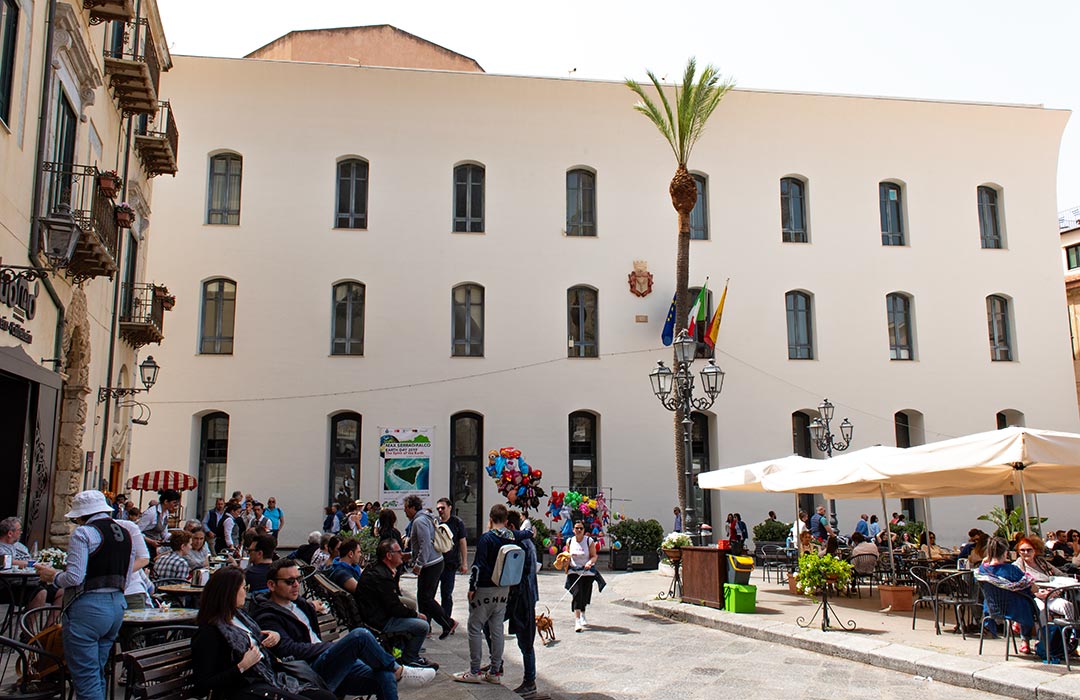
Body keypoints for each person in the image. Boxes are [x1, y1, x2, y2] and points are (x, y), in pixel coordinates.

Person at [254, 558, 435, 699]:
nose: (296, 585)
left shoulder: (296, 603)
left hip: (329, 659)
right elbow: (289, 649)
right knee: (360, 636)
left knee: (385, 675)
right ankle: (400, 670)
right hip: (310, 670)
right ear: (272, 585)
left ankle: (394, 671)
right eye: (289, 581)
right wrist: (329, 647)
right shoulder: (268, 616)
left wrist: (313, 606)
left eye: (298, 580)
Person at [35, 490, 143, 700]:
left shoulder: (84, 533)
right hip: (116, 606)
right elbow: (127, 576)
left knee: (85, 677)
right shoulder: (125, 533)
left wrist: (53, 576)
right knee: (98, 671)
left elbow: (75, 577)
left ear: (82, 514)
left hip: (88, 607)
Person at [191, 567, 336, 700]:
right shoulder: (210, 631)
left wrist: (275, 636)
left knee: (326, 697)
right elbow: (202, 686)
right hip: (242, 688)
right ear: (230, 592)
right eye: (243, 588)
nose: (245, 592)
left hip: (268, 677)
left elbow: (257, 640)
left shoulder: (240, 617)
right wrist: (242, 666)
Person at [453, 504, 522, 685]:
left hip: (484, 588)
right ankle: (495, 671)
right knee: (497, 629)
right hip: (504, 588)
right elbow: (529, 534)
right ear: (506, 521)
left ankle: (474, 670)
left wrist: (472, 587)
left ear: (490, 519)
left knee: (475, 627)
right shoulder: (512, 538)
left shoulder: (486, 539)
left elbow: (478, 565)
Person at [355, 539, 436, 669]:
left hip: (373, 615)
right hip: (380, 621)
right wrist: (416, 615)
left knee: (410, 606)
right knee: (423, 626)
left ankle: (402, 651)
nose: (402, 554)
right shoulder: (382, 576)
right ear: (389, 555)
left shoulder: (376, 569)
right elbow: (394, 607)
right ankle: (410, 658)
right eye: (398, 552)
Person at [975, 536, 1040, 654]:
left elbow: (984, 563)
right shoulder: (1011, 569)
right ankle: (1025, 640)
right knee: (1031, 603)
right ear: (1005, 552)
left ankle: (1017, 626)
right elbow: (1033, 588)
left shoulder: (982, 571)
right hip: (1015, 609)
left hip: (992, 609)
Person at [403, 495, 456, 639]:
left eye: (406, 508)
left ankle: (448, 622)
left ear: (413, 508)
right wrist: (410, 555)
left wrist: (419, 564)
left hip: (430, 564)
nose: (405, 512)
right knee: (423, 597)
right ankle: (425, 627)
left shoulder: (419, 521)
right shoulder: (426, 517)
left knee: (426, 597)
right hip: (434, 561)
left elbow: (425, 544)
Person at [505, 510, 540, 697]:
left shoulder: (521, 545)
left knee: (525, 641)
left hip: (523, 598)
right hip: (523, 596)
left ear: (511, 527)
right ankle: (497, 664)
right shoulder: (525, 542)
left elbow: (520, 574)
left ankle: (530, 681)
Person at [0, 517, 61, 611]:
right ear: (10, 533)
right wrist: (28, 564)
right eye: (19, 530)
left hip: (33, 581)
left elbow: (32, 560)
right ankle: (27, 625)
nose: (21, 532)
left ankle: (50, 625)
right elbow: (5, 561)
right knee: (40, 593)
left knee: (61, 592)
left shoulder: (21, 547)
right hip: (11, 586)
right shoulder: (1, 548)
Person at [565, 518, 603, 633]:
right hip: (573, 571)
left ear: (584, 530)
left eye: (581, 528)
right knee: (577, 593)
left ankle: (583, 613)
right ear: (573, 530)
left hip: (587, 572)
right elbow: (567, 555)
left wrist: (589, 562)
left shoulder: (589, 541)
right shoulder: (570, 541)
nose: (579, 530)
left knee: (584, 594)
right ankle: (577, 620)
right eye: (577, 528)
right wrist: (564, 562)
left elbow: (594, 555)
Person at [436, 497, 469, 620]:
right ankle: (428, 623)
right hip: (435, 563)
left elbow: (462, 542)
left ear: (450, 508)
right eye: (438, 508)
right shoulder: (435, 523)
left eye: (442, 508)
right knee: (430, 594)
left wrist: (464, 562)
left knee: (446, 594)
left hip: (450, 564)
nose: (440, 510)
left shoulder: (457, 522)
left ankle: (446, 621)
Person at [138, 488, 181, 556]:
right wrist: (151, 541)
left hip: (154, 547)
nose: (176, 506)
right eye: (174, 503)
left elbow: (164, 534)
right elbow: (137, 531)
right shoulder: (151, 513)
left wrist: (176, 537)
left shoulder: (166, 513)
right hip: (143, 546)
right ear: (166, 502)